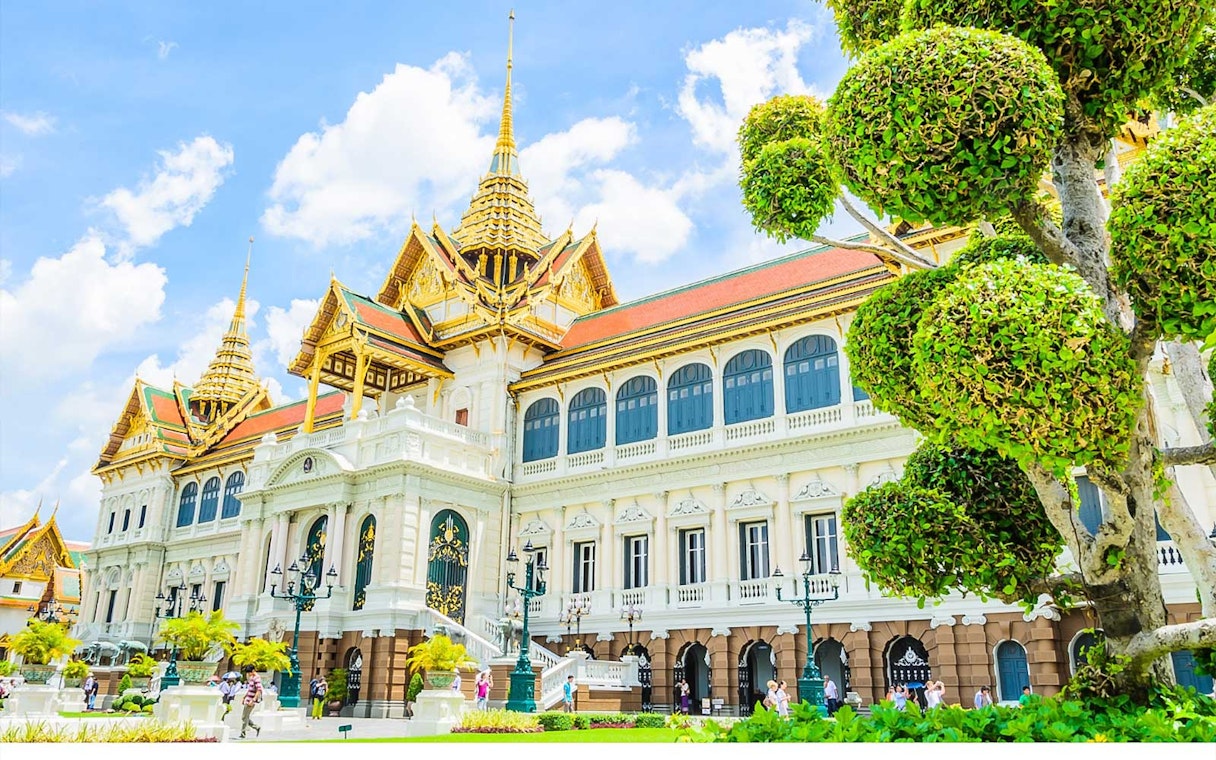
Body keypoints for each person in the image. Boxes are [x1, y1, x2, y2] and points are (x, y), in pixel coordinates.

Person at [239, 665, 262, 739]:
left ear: (253, 671)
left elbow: (259, 690)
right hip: (248, 698)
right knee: (245, 717)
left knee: (244, 717)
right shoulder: (252, 678)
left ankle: (243, 733)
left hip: (251, 700)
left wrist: (253, 700)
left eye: (249, 672)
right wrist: (244, 697)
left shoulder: (257, 678)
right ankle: (256, 727)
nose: (248, 674)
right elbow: (250, 689)